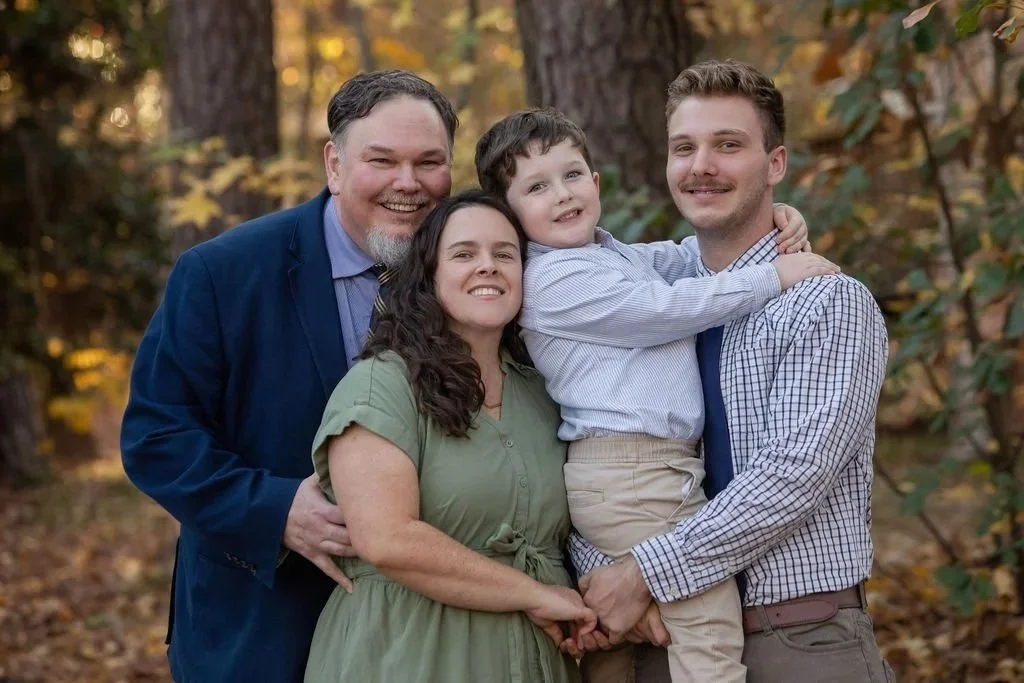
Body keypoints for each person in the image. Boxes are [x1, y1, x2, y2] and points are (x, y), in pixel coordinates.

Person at [474, 108, 839, 683]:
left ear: (595, 183)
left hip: (637, 471)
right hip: (634, 470)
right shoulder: (552, 280)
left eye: (572, 176)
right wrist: (775, 277)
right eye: (537, 187)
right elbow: (663, 310)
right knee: (708, 633)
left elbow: (693, 257)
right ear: (508, 215)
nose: (563, 195)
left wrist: (778, 221)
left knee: (617, 645)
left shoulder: (610, 255)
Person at [120, 70, 457, 683]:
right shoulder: (223, 274)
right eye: (381, 160)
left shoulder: (477, 274)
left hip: (437, 633)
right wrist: (275, 510)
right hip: (267, 629)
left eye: (428, 162)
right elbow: (156, 437)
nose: (408, 184)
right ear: (334, 163)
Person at [569, 59, 894, 683]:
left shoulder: (828, 301)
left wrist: (639, 572)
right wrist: (599, 570)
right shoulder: (646, 294)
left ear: (775, 164)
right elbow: (594, 441)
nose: (701, 167)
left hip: (797, 640)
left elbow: (792, 477)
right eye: (684, 147)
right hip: (662, 637)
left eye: (728, 145)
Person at [303, 190, 595, 683]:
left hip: (533, 658)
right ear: (429, 275)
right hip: (407, 653)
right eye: (464, 254)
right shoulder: (382, 385)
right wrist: (533, 593)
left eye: (505, 254)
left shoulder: (545, 391)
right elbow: (388, 540)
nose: (488, 266)